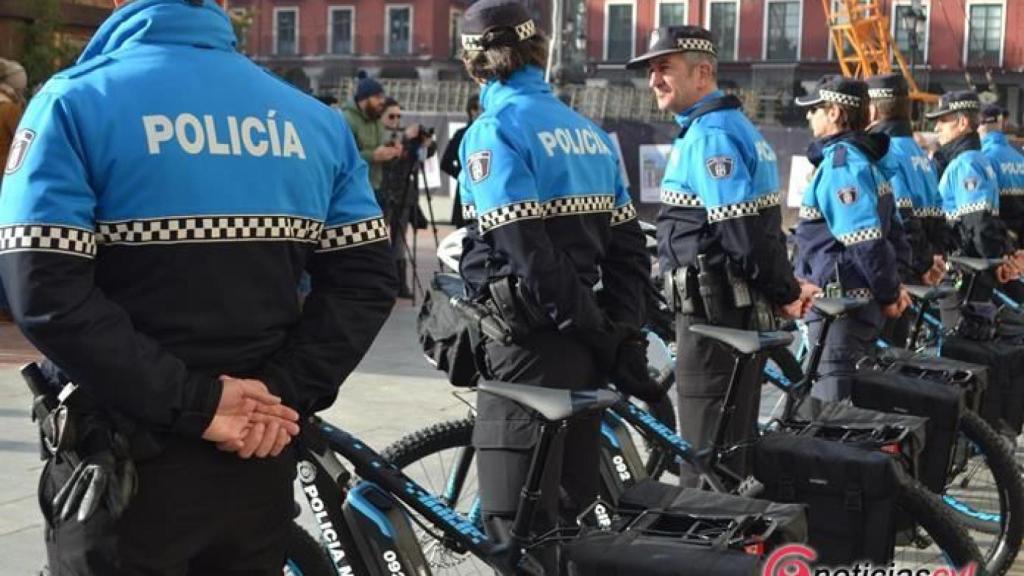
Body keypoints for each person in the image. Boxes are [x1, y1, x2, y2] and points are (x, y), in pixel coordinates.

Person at [0, 1, 397, 574]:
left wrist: (199, 403)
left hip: (123, 466)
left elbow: (43, 288)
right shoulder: (313, 120)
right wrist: (278, 394)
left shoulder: (74, 103)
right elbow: (367, 280)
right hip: (258, 456)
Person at [456, 0, 651, 565]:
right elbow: (628, 252)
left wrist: (595, 330)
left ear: (477, 61)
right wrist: (620, 333)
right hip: (584, 350)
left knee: (518, 530)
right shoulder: (589, 133)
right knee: (568, 519)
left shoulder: (494, 130)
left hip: (528, 350)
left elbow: (526, 253)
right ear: (539, 52)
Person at [626, 25, 816, 485]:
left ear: (703, 72)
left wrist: (786, 291)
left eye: (665, 68)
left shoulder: (712, 136)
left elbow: (742, 234)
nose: (654, 79)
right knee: (729, 449)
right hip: (728, 312)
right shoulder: (731, 128)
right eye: (651, 70)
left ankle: (712, 545)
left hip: (713, 320)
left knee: (705, 459)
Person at [793, 76, 910, 401]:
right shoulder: (868, 161)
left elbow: (865, 240)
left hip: (840, 311)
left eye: (815, 108)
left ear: (834, 112)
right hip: (855, 306)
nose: (808, 116)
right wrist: (892, 286)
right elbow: (897, 234)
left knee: (832, 420)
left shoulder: (842, 164)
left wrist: (888, 295)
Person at [866, 73, 945, 346]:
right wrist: (933, 259)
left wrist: (923, 264)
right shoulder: (919, 153)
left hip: (898, 271)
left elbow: (902, 218)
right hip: (920, 267)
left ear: (873, 109)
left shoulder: (885, 151)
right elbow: (937, 215)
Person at [929, 91, 1021, 301]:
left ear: (962, 123)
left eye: (943, 121)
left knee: (959, 331)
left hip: (965, 270)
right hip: (978, 265)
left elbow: (977, 222)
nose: (936, 129)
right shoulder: (978, 159)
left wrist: (995, 263)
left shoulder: (966, 164)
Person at [379, 97, 436, 298]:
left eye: (398, 116)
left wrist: (424, 143)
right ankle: (381, 283)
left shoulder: (403, 137)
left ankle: (400, 284)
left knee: (399, 242)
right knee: (378, 240)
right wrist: (404, 140)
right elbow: (388, 163)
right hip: (382, 193)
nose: (395, 120)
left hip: (404, 194)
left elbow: (421, 156)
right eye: (391, 116)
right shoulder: (379, 136)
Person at [342, 75, 402, 208]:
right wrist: (373, 156)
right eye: (377, 97)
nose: (382, 101)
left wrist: (392, 151)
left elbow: (380, 147)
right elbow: (343, 157)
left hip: (376, 186)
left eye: (382, 97)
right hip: (353, 190)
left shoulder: (376, 119)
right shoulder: (347, 120)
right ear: (364, 99)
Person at [440, 93, 481, 227]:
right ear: (472, 111)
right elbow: (445, 163)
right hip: (466, 194)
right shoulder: (461, 134)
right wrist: (464, 176)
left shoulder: (493, 132)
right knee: (464, 235)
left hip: (485, 192)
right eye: (481, 108)